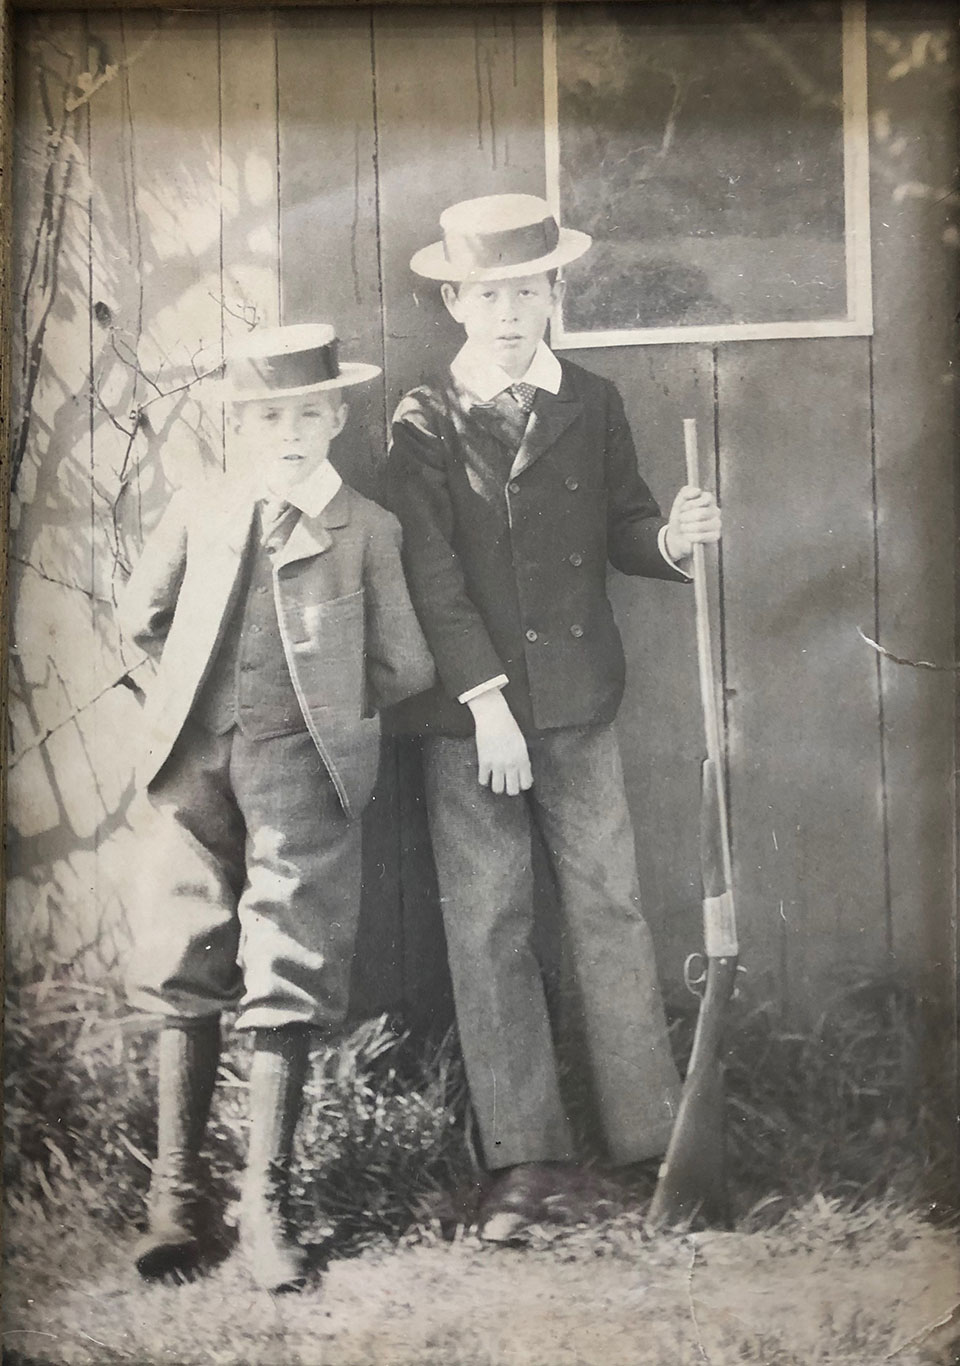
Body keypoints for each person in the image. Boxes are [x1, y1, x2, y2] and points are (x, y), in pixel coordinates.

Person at [387, 194, 722, 1242]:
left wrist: (669, 538)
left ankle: (655, 1144)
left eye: (529, 290)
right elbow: (430, 576)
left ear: (555, 293)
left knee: (609, 908)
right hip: (471, 719)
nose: (511, 311)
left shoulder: (595, 398)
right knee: (490, 924)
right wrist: (484, 702)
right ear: (455, 299)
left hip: (578, 706)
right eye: (490, 294)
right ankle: (524, 1165)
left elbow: (621, 523)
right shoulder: (422, 420)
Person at [120, 323, 434, 1291]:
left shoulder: (369, 529)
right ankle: (177, 1194)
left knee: (286, 962)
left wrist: (328, 720)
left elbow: (405, 661)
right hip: (195, 768)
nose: (289, 430)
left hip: (303, 771)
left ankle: (270, 1199)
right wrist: (187, 711)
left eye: (308, 411)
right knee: (186, 951)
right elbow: (144, 618)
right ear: (241, 423)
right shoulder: (202, 506)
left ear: (337, 415)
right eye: (269, 414)